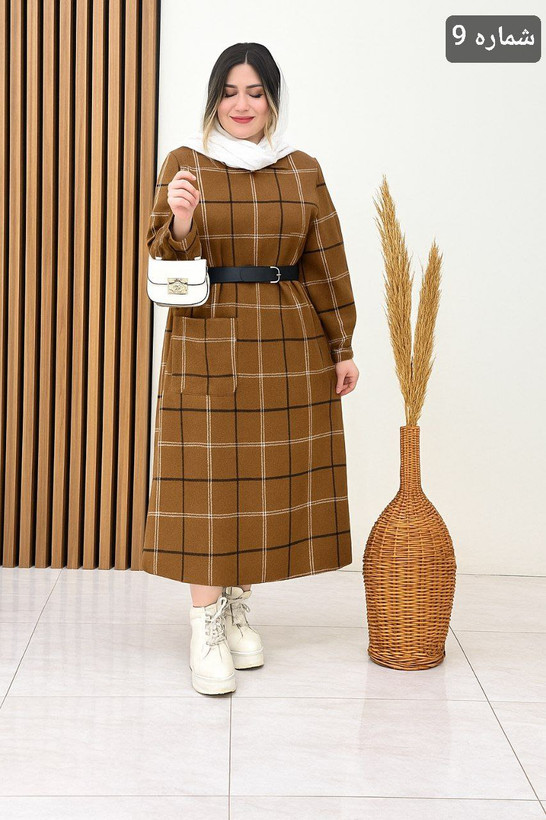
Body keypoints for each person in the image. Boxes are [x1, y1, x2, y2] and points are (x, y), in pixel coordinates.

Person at [142, 42, 359, 695]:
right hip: (206, 334)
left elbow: (325, 261)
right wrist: (183, 221)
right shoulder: (185, 163)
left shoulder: (302, 169)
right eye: (230, 92)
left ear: (272, 100)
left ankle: (237, 607)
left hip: (287, 341)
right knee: (207, 484)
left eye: (256, 92)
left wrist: (342, 344)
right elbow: (163, 269)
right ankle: (204, 626)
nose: (242, 105)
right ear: (214, 99)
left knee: (261, 483)